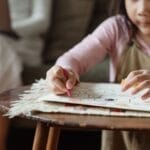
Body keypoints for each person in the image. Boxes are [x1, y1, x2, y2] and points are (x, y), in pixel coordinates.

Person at [46, 0, 150, 149]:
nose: (142, 9)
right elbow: (74, 58)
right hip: (121, 137)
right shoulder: (118, 28)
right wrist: (63, 72)